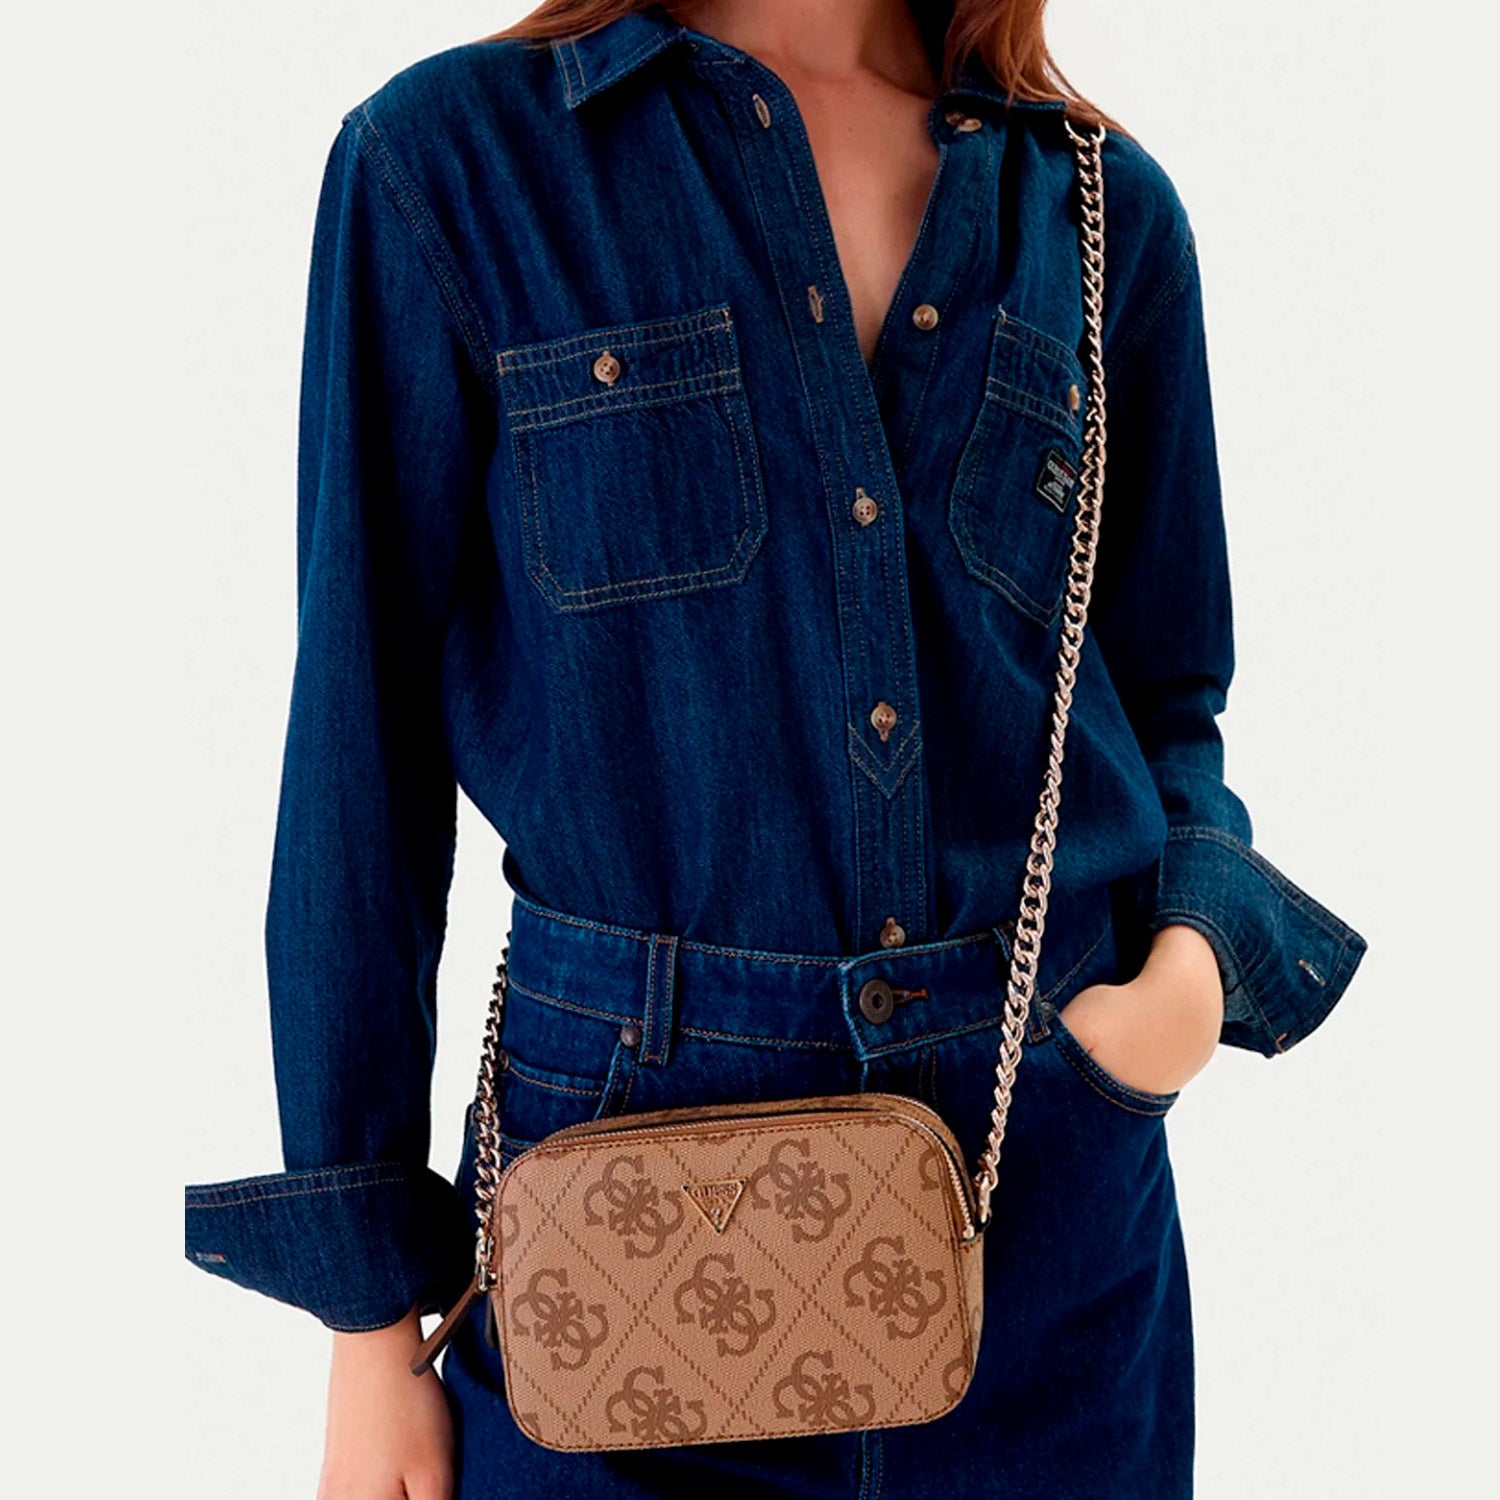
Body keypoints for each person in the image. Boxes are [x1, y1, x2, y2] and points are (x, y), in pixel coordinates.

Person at [183, 2, 1369, 1496]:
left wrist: (1183, 989)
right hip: (617, 1236)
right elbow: (361, 755)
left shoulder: (1096, 211)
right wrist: (369, 1330)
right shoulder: (452, 163)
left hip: (1051, 1226)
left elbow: (1167, 694)